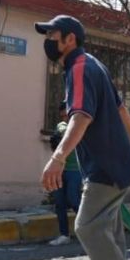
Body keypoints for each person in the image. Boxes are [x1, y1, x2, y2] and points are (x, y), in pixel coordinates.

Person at [36, 14, 130, 260]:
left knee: (87, 227)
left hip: (106, 164)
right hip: (113, 161)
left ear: (69, 39)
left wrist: (57, 158)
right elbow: (121, 109)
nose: (48, 41)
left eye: (51, 35)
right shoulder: (94, 64)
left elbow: (81, 117)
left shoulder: (81, 68)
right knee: (109, 230)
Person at [48, 101, 83, 246]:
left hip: (75, 170)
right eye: (62, 116)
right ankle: (64, 234)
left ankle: (88, 229)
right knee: (60, 202)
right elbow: (60, 133)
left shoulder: (81, 125)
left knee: (74, 200)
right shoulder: (61, 126)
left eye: (66, 116)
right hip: (60, 169)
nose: (64, 119)